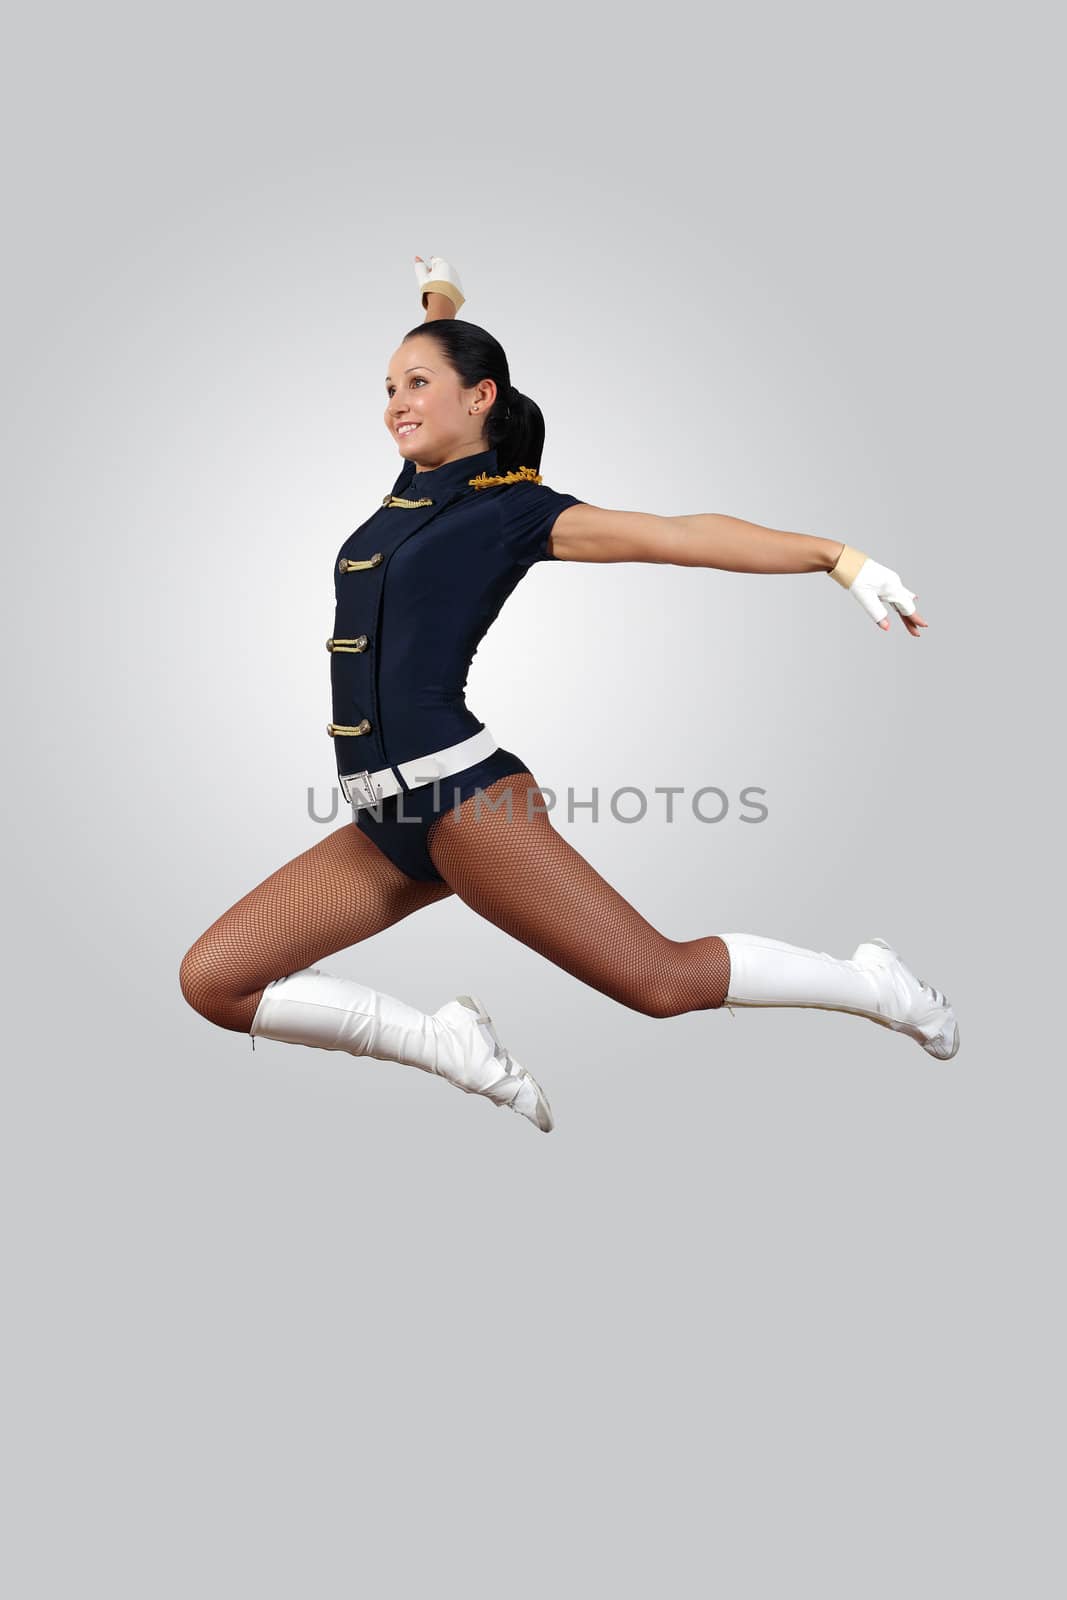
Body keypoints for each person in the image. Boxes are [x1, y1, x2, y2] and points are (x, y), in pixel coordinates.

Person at [179, 254, 959, 1134]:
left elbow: (677, 535)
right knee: (216, 980)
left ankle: (874, 986)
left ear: (480, 398)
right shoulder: (412, 486)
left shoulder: (510, 509)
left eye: (418, 383)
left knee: (659, 982)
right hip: (381, 820)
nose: (396, 400)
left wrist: (836, 558)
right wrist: (442, 299)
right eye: (388, 384)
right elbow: (441, 356)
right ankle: (449, 1045)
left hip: (463, 804)